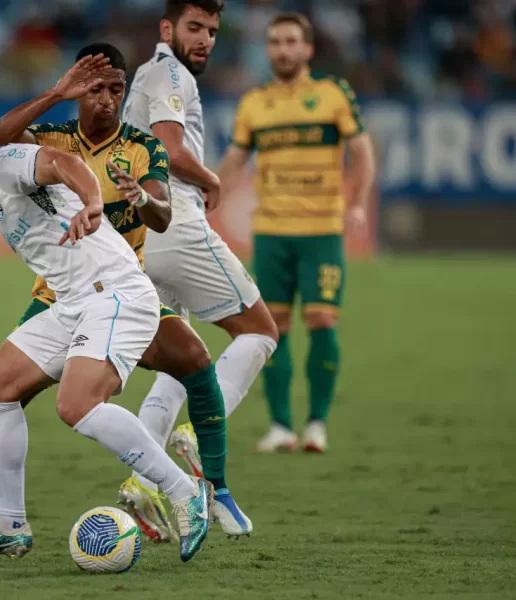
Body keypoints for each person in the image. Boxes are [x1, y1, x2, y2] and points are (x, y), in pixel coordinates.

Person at [0, 44, 251, 550]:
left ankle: (185, 494)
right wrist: (56, 93)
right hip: (74, 299)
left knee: (76, 405)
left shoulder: (3, 162)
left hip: (116, 292)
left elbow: (60, 165)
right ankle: (8, 526)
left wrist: (94, 201)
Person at [122, 1, 278, 470]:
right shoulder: (172, 74)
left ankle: (143, 484)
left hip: (141, 232)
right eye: (194, 27)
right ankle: (203, 428)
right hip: (175, 223)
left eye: (211, 30)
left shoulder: (147, 74)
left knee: (184, 359)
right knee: (260, 331)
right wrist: (212, 180)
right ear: (167, 28)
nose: (205, 39)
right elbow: (171, 150)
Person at [217, 13, 375, 453]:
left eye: (291, 42)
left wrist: (358, 202)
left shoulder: (332, 94)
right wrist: (206, 195)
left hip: (321, 231)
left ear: (307, 49)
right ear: (268, 49)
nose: (283, 50)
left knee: (322, 319)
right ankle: (282, 427)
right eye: (275, 42)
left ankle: (318, 424)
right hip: (271, 233)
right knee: (274, 327)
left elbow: (362, 153)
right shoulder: (253, 103)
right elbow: (233, 163)